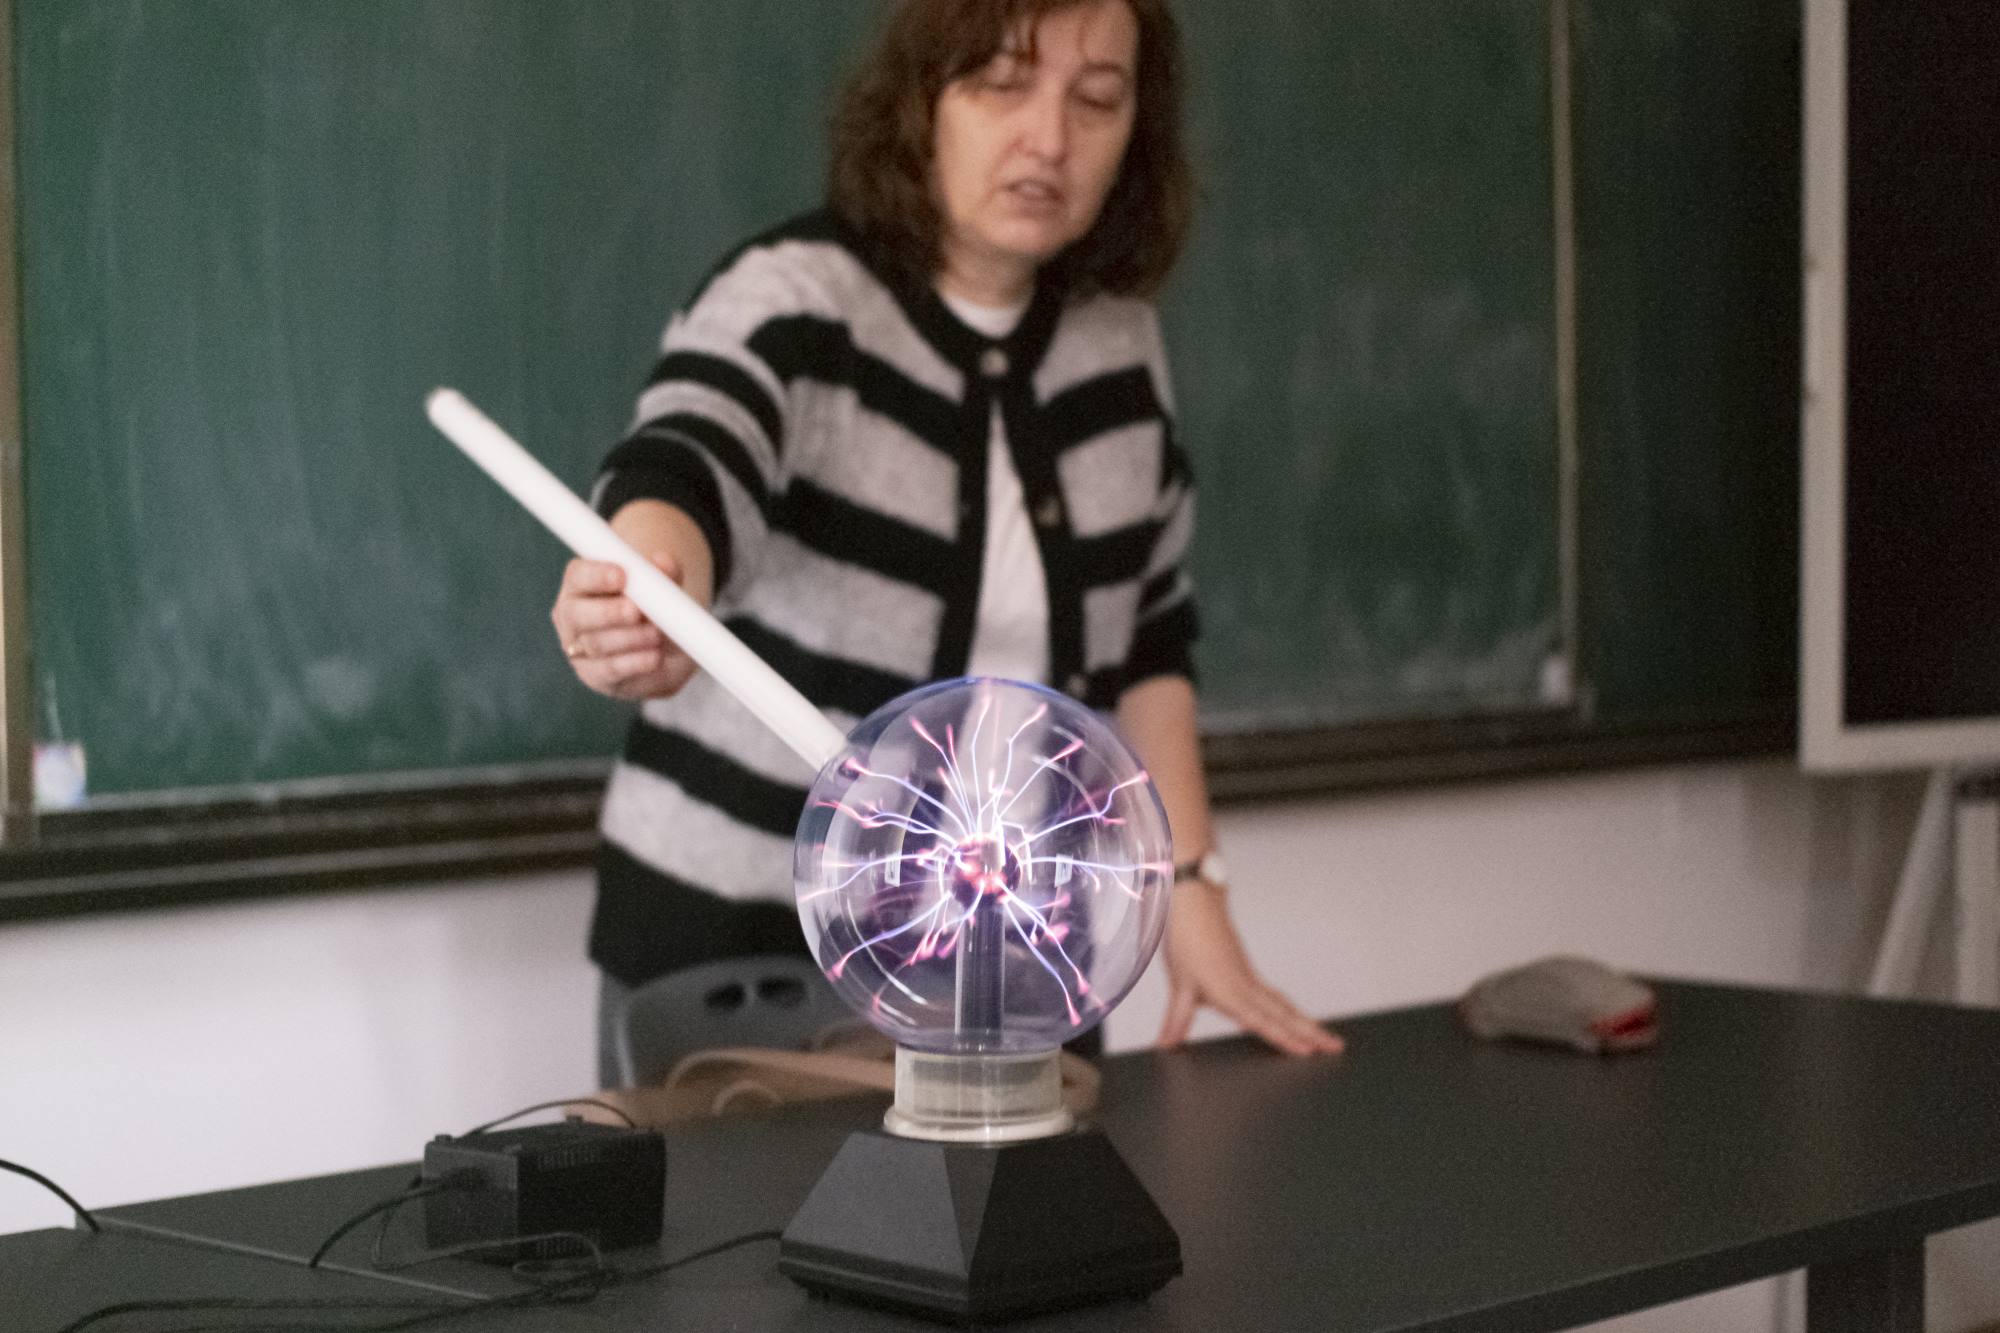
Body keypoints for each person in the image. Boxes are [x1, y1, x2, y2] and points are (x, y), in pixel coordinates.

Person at [551, 0, 1342, 1080]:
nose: (1049, 139)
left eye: (1097, 99)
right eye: (1002, 85)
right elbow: (686, 460)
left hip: (1022, 946)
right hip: (740, 966)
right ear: (920, 100)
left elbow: (1148, 636)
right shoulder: (795, 297)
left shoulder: (1117, 337)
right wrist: (646, 583)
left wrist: (1190, 887)